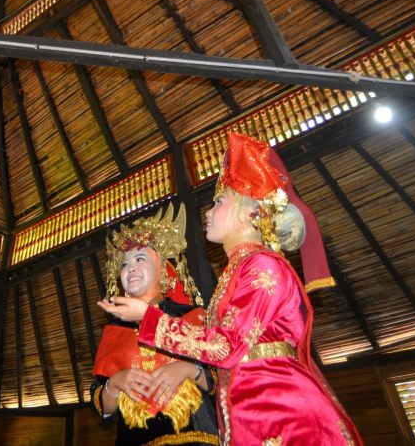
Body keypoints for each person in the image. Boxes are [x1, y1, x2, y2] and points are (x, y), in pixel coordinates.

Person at [99, 132, 363, 445]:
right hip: (249, 409)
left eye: (218, 202)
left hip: (279, 408)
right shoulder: (239, 270)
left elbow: (225, 347)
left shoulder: (263, 266)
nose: (208, 212)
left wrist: (147, 316)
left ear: (251, 212)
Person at [90, 204, 220, 446]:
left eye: (140, 259)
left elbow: (218, 378)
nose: (131, 268)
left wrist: (188, 369)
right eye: (124, 264)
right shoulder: (114, 329)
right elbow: (102, 405)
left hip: (194, 437)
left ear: (162, 268)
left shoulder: (191, 315)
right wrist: (116, 382)